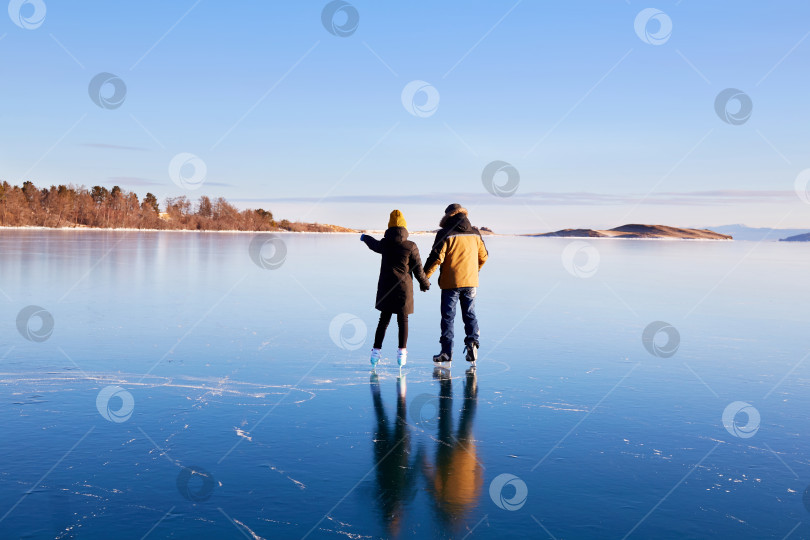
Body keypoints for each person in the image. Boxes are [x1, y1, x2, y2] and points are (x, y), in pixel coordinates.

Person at [361, 210, 430, 367]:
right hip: (403, 290)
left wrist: (364, 237)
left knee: (384, 320)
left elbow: (374, 244)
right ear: (405, 227)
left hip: (386, 289)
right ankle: (402, 353)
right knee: (403, 320)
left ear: (390, 226)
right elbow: (418, 269)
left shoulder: (385, 244)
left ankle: (376, 352)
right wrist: (425, 284)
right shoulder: (411, 246)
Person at [423, 204, 488, 364]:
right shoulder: (475, 233)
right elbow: (484, 256)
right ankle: (472, 342)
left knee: (448, 318)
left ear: (447, 216)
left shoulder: (445, 233)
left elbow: (436, 258)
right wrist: (474, 271)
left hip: (451, 283)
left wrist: (424, 277)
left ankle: (446, 352)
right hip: (471, 281)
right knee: (470, 314)